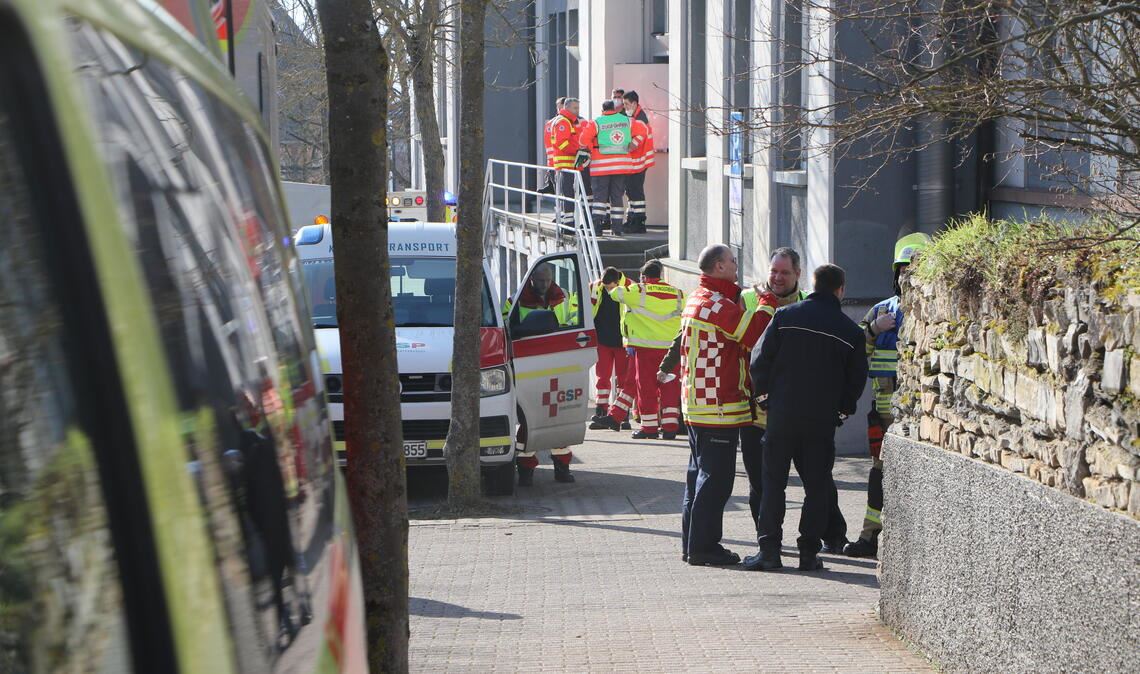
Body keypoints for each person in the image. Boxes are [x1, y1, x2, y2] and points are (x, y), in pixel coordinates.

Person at [743, 264, 868, 572]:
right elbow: (856, 380)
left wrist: (764, 398)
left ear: (811, 283)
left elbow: (759, 359)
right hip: (821, 421)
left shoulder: (785, 317)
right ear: (841, 289)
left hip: (782, 415)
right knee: (817, 487)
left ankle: (769, 551)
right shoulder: (851, 332)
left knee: (773, 485)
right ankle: (808, 554)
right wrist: (841, 412)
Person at [680, 245, 770, 566]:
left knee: (698, 478)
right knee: (716, 481)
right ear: (719, 266)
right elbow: (754, 333)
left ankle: (692, 545)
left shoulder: (698, 298)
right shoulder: (714, 303)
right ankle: (705, 548)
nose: (736, 265)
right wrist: (767, 300)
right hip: (716, 406)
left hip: (698, 405)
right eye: (732, 261)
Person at [844, 233, 931, 558]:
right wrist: (872, 331)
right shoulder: (882, 310)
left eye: (916, 268)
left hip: (920, 417)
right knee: (879, 475)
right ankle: (870, 537)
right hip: (883, 413)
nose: (909, 276)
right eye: (904, 269)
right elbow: (855, 355)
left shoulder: (931, 310)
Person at [592, 260, 685, 439]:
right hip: (671, 349)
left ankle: (649, 429)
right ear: (661, 274)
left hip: (646, 349)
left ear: (643, 276)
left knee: (646, 388)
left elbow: (614, 293)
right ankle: (670, 428)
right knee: (670, 387)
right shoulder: (679, 293)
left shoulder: (638, 290)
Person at [507, 263, 576, 484]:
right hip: (529, 365)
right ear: (531, 280)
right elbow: (505, 329)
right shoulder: (515, 301)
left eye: (547, 280)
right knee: (530, 421)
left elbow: (575, 324)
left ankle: (562, 468)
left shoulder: (564, 297)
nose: (544, 285)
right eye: (539, 281)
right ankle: (526, 471)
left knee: (560, 418)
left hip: (560, 363)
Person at [579, 100, 634, 236]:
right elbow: (642, 132)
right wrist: (633, 144)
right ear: (614, 108)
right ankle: (617, 229)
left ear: (602, 110)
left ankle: (597, 228)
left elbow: (582, 141)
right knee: (617, 197)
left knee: (600, 198)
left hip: (601, 167)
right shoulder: (627, 120)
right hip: (621, 166)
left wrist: (592, 146)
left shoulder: (596, 122)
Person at [587, 267, 634, 423]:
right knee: (602, 376)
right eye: (606, 287)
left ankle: (622, 414)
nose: (608, 290)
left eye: (610, 287)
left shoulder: (630, 287)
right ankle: (601, 411)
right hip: (602, 340)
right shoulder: (595, 286)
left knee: (623, 379)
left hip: (622, 341)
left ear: (617, 281)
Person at [548, 98, 587, 229]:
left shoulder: (565, 121)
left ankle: (568, 222)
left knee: (568, 194)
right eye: (575, 108)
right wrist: (577, 150)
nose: (577, 111)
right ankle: (569, 224)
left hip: (567, 165)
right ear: (568, 107)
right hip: (566, 165)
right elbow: (562, 143)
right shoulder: (563, 122)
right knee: (568, 194)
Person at [621, 91, 655, 234]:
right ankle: (632, 219)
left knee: (635, 192)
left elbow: (635, 143)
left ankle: (639, 222)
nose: (625, 107)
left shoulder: (640, 120)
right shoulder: (635, 116)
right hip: (637, 161)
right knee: (631, 191)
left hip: (639, 160)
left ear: (634, 104)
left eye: (626, 104)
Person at [539, 96, 567, 194]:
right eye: (560, 108)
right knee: (564, 192)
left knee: (562, 192)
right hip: (561, 163)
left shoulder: (551, 123)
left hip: (557, 163)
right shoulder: (559, 123)